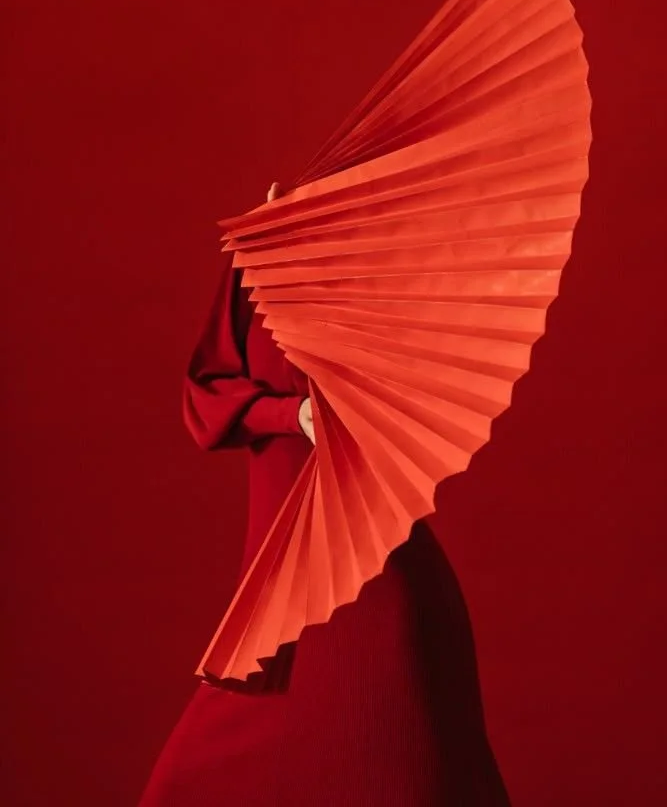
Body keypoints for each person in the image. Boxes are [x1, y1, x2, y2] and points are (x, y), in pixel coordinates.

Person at [136, 183, 513, 806]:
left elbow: (400, 413)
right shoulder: (252, 258)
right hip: (286, 580)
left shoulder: (377, 283)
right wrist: (293, 415)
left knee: (403, 776)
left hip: (373, 573)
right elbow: (204, 400)